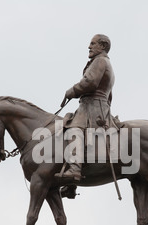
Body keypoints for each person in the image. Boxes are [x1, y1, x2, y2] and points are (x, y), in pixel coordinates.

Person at [56, 34, 116, 183]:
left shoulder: (100, 61)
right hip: (95, 106)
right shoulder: (102, 62)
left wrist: (71, 91)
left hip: (93, 107)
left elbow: (90, 83)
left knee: (74, 129)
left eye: (92, 43)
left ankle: (75, 169)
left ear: (102, 46)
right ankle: (70, 184)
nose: (89, 47)